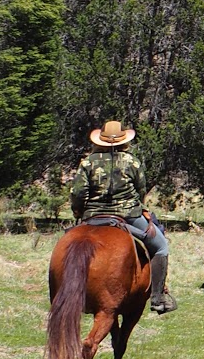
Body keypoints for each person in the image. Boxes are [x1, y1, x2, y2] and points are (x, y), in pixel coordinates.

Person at [69, 119, 176, 314]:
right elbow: (141, 190)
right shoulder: (132, 161)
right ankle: (158, 297)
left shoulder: (88, 162)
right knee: (161, 247)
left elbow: (78, 193)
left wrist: (78, 212)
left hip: (93, 215)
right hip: (128, 215)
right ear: (123, 141)